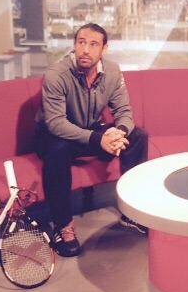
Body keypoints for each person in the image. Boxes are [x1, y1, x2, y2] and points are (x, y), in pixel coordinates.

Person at [35, 23, 149, 257]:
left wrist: (119, 132)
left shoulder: (112, 71)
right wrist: (99, 140)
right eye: (81, 42)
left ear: (104, 49)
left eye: (93, 44)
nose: (86, 50)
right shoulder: (56, 75)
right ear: (74, 45)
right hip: (54, 134)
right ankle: (63, 226)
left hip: (88, 130)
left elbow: (123, 111)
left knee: (138, 136)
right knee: (59, 151)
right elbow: (56, 123)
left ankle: (132, 213)